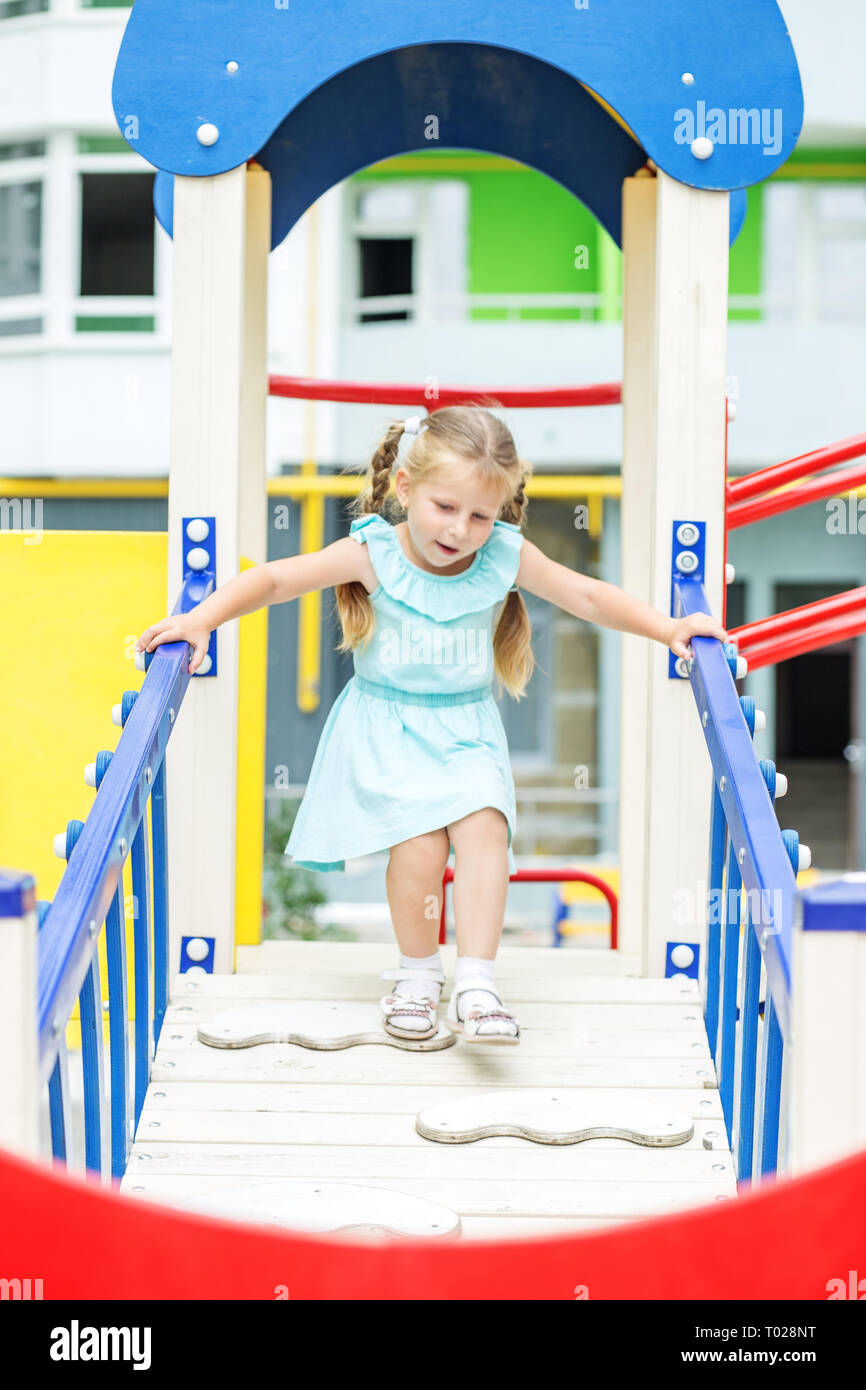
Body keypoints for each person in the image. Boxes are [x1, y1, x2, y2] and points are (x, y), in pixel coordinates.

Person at [135, 404, 727, 1048]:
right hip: (388, 726)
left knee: (485, 830)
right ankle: (418, 975)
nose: (462, 529)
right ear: (406, 489)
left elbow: (584, 594)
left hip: (466, 727)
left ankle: (476, 982)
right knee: (418, 852)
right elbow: (278, 579)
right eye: (446, 507)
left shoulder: (502, 555)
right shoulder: (374, 552)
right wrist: (202, 619)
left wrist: (671, 629)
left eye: (481, 514)